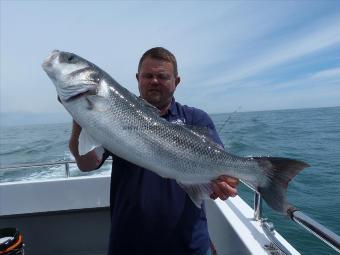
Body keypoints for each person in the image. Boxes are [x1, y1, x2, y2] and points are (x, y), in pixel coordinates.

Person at [69, 47, 239, 255]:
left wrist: (221, 185)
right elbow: (87, 164)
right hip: (129, 246)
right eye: (148, 75)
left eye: (162, 76)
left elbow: (221, 177)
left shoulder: (196, 119)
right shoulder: (114, 115)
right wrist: (82, 114)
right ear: (137, 78)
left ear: (176, 81)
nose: (154, 81)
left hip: (189, 246)